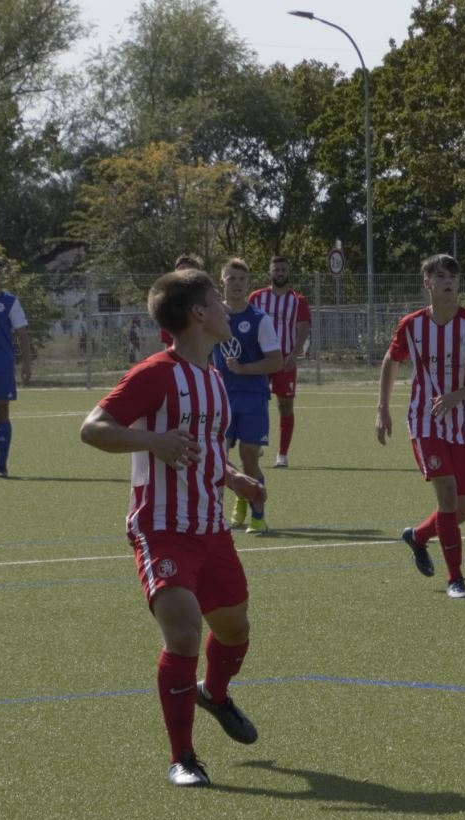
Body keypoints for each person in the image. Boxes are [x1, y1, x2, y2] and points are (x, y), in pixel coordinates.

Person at [79, 269, 267, 787]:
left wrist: (234, 478)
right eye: (218, 301)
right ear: (199, 313)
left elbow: (204, 450)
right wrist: (153, 441)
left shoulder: (214, 376)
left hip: (211, 526)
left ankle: (214, 694)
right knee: (184, 631)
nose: (228, 308)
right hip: (161, 526)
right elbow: (92, 428)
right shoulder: (156, 373)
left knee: (235, 630)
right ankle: (182, 757)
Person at [375, 254, 465, 599]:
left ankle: (417, 536)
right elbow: (391, 360)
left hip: (462, 423)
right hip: (425, 419)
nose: (448, 282)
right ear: (427, 283)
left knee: (461, 510)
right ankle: (455, 579)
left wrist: (458, 396)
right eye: (441, 276)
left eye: (453, 277)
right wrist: (383, 408)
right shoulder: (412, 325)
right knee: (446, 494)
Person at [215, 259, 282, 533]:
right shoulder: (212, 317)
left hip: (253, 396)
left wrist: (243, 369)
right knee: (217, 457)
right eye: (231, 278)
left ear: (248, 284)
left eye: (242, 279)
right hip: (220, 396)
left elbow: (276, 361)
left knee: (249, 457)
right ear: (222, 281)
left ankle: (257, 514)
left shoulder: (259, 319)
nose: (237, 284)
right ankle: (236, 493)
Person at [249, 256, 311, 468]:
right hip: (261, 358)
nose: (280, 273)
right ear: (270, 272)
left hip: (285, 359)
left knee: (285, 405)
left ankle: (282, 454)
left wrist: (294, 354)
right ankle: (256, 442)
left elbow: (303, 328)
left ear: (288, 272)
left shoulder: (298, 300)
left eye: (283, 269)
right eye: (277, 269)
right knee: (256, 402)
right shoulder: (257, 297)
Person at [0, 258, 33, 478]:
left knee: (1, 412)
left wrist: (26, 363)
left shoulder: (10, 302)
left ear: (2, 276)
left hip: (1, 367)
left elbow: (22, 334)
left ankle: (2, 466)